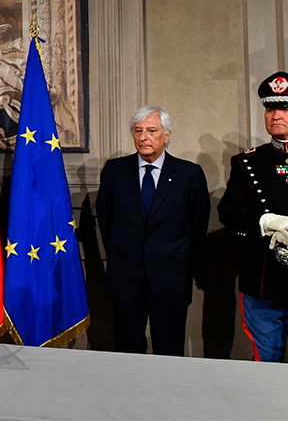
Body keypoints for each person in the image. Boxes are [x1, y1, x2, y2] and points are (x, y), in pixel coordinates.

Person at [96, 106, 210, 356]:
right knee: (128, 348)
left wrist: (180, 265)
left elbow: (197, 226)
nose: (143, 137)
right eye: (138, 131)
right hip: (126, 278)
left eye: (151, 130)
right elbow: (106, 221)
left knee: (169, 351)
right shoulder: (115, 171)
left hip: (170, 280)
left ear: (166, 135)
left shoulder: (188, 174)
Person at [218, 71, 288, 362]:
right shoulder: (247, 162)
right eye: (270, 108)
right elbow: (228, 211)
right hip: (263, 283)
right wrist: (266, 221)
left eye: (284, 108)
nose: (276, 116)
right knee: (266, 372)